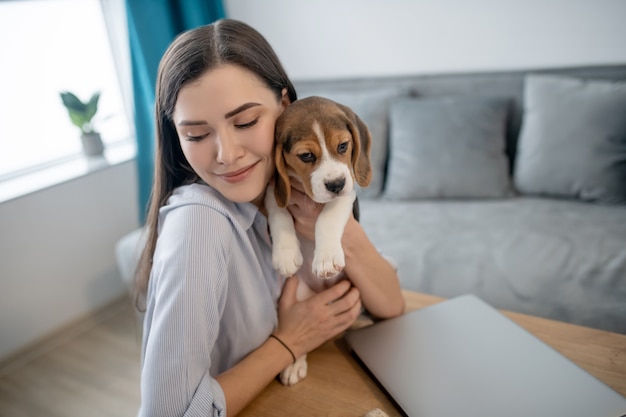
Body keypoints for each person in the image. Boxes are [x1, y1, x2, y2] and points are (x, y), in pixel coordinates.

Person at [134, 18, 405, 417]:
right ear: (175, 136)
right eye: (195, 135)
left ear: (284, 107)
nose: (226, 154)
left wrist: (336, 231)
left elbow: (391, 305)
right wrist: (289, 342)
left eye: (245, 122)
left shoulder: (289, 195)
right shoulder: (199, 225)